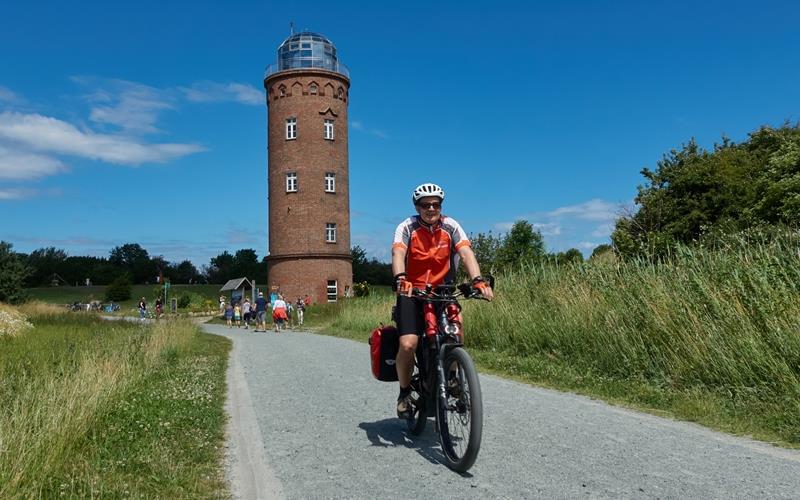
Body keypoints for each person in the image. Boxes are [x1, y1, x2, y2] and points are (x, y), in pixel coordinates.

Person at [391, 182, 493, 419]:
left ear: (441, 206)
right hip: (412, 292)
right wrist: (401, 278)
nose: (431, 209)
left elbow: (466, 252)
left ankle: (454, 375)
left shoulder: (451, 226)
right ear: (417, 206)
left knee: (455, 335)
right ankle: (404, 394)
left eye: (436, 204)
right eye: (425, 205)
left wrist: (477, 279)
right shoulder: (406, 227)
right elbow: (398, 253)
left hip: (443, 291)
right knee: (408, 344)